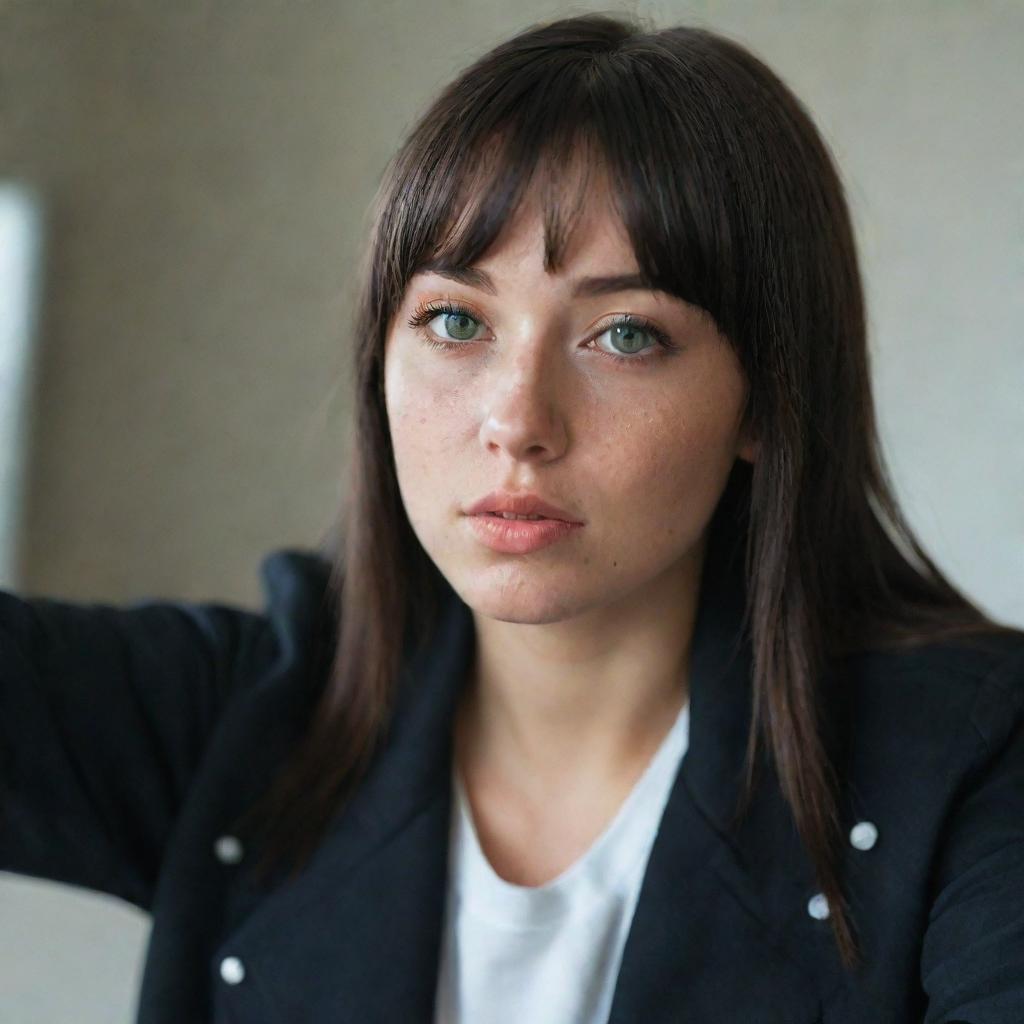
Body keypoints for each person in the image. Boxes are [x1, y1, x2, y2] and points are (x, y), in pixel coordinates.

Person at [2, 12, 1022, 1024]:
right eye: (455, 321)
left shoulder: (970, 764)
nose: (517, 422)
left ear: (764, 397)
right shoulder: (256, 718)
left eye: (624, 335)